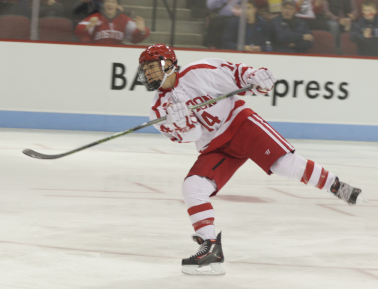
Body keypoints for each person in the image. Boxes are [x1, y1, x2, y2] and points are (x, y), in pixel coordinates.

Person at [137, 43, 363, 275]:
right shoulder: (157, 109)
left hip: (240, 124)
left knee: (284, 165)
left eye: (151, 67)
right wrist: (181, 122)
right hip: (214, 148)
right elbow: (192, 135)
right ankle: (211, 249)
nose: (147, 74)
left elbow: (239, 76)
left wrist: (258, 77)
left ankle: (337, 186)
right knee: (192, 186)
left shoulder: (199, 71)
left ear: (169, 63)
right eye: (145, 70)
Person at [74, 0, 149, 45]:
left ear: (117, 5)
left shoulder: (125, 19)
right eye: (107, 1)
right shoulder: (95, 17)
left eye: (113, 1)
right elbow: (78, 31)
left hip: (117, 53)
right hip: (97, 52)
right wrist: (88, 26)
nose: (110, 4)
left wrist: (142, 31)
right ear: (103, 4)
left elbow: (134, 40)